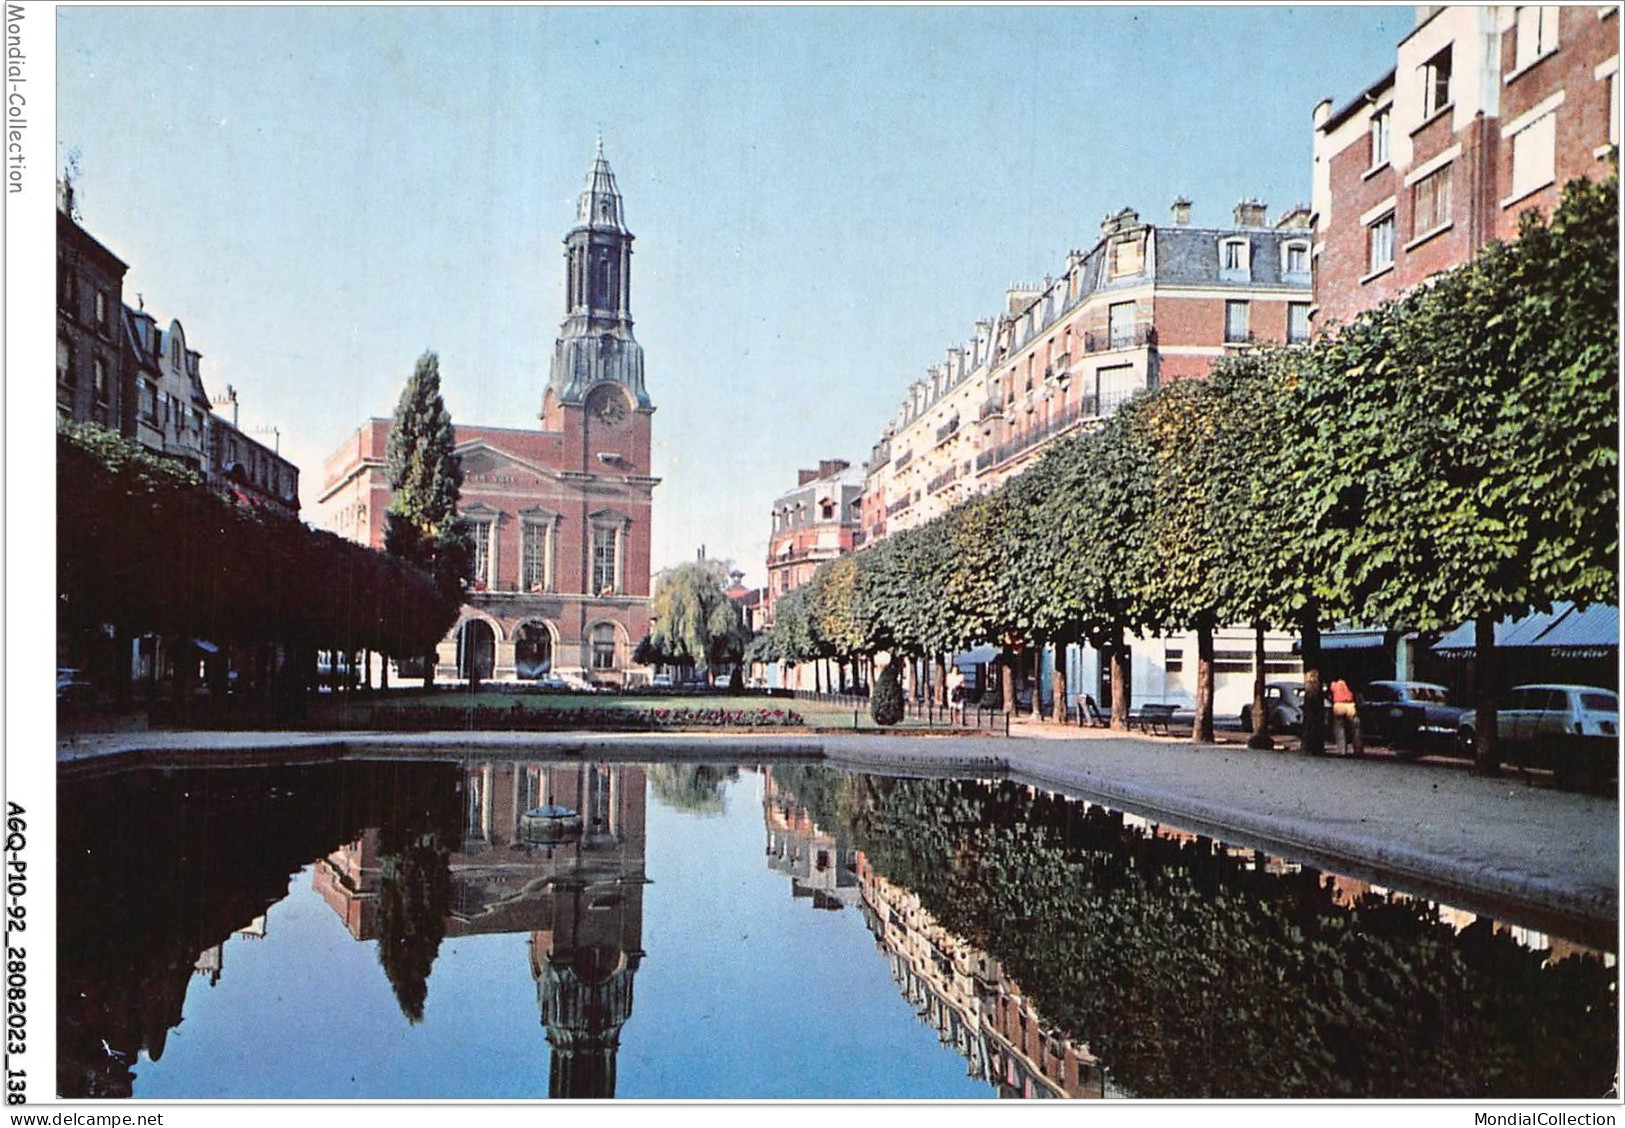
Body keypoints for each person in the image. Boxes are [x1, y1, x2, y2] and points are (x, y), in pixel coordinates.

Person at [1329, 677, 1363, 756]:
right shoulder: (1351, 683)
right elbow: (1357, 694)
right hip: (1350, 704)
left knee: (1339, 728)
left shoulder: (1333, 684)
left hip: (1338, 704)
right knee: (1356, 728)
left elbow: (1330, 695)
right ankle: (1358, 749)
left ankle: (1342, 750)